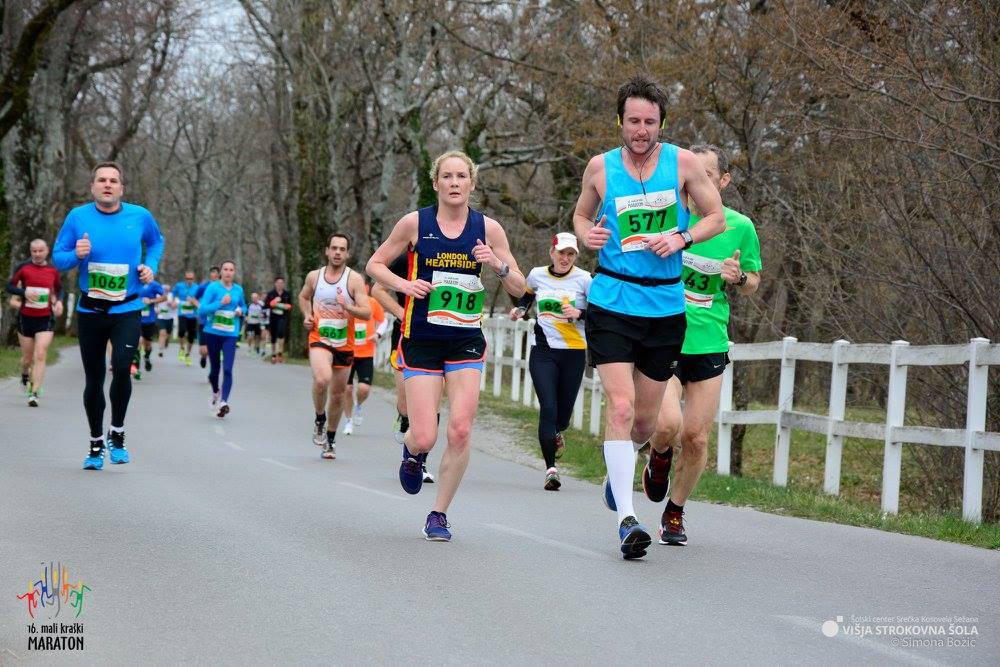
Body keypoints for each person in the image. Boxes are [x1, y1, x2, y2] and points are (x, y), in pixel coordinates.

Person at [571, 75, 725, 558]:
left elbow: (716, 216)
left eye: (650, 122)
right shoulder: (600, 167)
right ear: (620, 121)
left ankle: (620, 468)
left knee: (643, 424)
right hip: (613, 299)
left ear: (662, 124)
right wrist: (587, 235)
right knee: (619, 407)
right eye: (633, 121)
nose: (641, 130)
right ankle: (627, 519)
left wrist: (682, 238)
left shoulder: (683, 163)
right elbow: (580, 216)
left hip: (664, 307)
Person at [367, 150, 525, 542]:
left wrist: (498, 266)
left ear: (472, 183)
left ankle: (438, 514)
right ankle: (412, 452)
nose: (455, 183)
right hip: (422, 339)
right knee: (425, 435)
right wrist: (405, 286)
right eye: (447, 176)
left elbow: (521, 288)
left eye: (461, 176)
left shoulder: (488, 229)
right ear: (436, 183)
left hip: (465, 340)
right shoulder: (414, 224)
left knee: (460, 429)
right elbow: (375, 265)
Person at [645, 144, 762, 546]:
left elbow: (753, 281)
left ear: (723, 181)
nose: (695, 182)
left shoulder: (739, 227)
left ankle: (675, 511)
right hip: (665, 335)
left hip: (710, 339)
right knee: (667, 425)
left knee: (695, 437)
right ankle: (659, 455)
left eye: (707, 175)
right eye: (690, 174)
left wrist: (739, 278)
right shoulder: (666, 217)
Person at [52, 161, 164, 470]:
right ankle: (95, 442)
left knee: (122, 367)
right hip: (91, 310)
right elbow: (58, 259)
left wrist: (150, 266)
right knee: (94, 378)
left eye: (113, 180)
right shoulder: (77, 217)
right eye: (101, 180)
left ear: (121, 188)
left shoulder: (139, 216)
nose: (107, 184)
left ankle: (117, 432)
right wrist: (76, 255)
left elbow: (156, 242)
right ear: (92, 187)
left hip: (127, 309)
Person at [509, 232, 591, 491]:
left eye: (570, 254)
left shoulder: (584, 279)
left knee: (562, 417)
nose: (565, 258)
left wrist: (579, 313)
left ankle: (557, 431)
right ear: (551, 253)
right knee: (548, 407)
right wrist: (520, 309)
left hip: (573, 352)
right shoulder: (536, 274)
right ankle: (551, 469)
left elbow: (601, 312)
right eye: (561, 253)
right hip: (543, 351)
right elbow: (527, 295)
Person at [299, 232, 371, 459]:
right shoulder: (314, 277)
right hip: (319, 337)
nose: (337, 252)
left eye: (342, 249)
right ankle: (319, 417)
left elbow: (367, 312)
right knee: (322, 379)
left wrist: (347, 307)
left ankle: (330, 439)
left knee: (338, 395)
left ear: (347, 254)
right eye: (334, 248)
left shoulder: (354, 280)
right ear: (327, 251)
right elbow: (303, 297)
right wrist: (307, 315)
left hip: (344, 343)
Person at [371, 257, 436, 483]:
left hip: (441, 339)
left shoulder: (455, 255)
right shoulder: (407, 258)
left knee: (432, 403)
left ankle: (420, 462)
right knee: (407, 404)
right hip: (406, 335)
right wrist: (402, 313)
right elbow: (377, 290)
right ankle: (404, 418)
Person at [5, 239, 64, 406]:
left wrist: (59, 302)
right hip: (26, 318)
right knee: (27, 358)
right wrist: (24, 293)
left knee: (40, 354)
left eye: (40, 251)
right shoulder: (23, 268)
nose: (37, 254)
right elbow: (9, 287)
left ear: (47, 251)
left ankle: (34, 392)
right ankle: (25, 373)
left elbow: (60, 289)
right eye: (34, 251)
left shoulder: (52, 270)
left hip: (45, 318)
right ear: (30, 252)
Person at [198, 260, 247, 418]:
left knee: (227, 369)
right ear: (220, 272)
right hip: (212, 333)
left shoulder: (238, 289)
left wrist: (240, 311)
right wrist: (219, 303)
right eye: (225, 269)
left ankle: (224, 402)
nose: (228, 272)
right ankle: (215, 391)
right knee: (215, 370)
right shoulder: (213, 288)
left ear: (234, 272)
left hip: (230, 334)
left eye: (231, 270)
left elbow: (244, 306)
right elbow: (202, 310)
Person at [342, 280, 386, 435]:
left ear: (366, 288)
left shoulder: (372, 303)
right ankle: (348, 421)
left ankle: (358, 405)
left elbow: (383, 321)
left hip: (366, 352)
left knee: (364, 389)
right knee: (347, 389)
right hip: (347, 352)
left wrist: (377, 334)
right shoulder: (345, 303)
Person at [134, 279, 164, 379]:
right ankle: (136, 367)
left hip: (149, 320)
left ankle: (146, 357)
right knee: (138, 341)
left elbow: (164, 297)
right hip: (136, 318)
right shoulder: (134, 282)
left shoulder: (154, 284)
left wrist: (151, 301)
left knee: (148, 344)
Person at [195, 266, 220, 369]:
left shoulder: (224, 287)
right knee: (204, 350)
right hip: (204, 320)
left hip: (217, 321)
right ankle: (204, 357)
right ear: (210, 274)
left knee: (214, 347)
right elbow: (194, 298)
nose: (215, 274)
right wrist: (200, 307)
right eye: (213, 272)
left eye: (217, 272)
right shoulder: (204, 286)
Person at [173, 271, 199, 365]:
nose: (189, 280)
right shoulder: (179, 286)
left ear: (193, 279)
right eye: (187, 279)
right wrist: (174, 301)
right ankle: (182, 348)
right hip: (182, 314)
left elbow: (200, 301)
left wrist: (193, 301)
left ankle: (188, 354)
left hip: (193, 315)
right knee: (181, 331)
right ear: (185, 279)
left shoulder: (197, 288)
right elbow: (172, 294)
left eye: (191, 279)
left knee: (191, 336)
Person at [266, 277, 293, 363]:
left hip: (283, 317)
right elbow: (266, 305)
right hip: (273, 317)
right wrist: (274, 302)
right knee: (273, 336)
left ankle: (280, 353)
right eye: (278, 283)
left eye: (281, 283)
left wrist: (286, 306)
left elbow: (290, 305)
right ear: (275, 284)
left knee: (281, 333)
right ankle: (273, 354)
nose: (280, 284)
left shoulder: (286, 294)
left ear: (283, 284)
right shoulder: (271, 293)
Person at [156, 284, 177, 356]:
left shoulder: (172, 295)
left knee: (168, 334)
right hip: (161, 317)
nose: (166, 290)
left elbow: (175, 306)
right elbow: (155, 304)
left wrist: (171, 304)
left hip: (170, 317)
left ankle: (167, 341)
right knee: (162, 333)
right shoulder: (158, 295)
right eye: (164, 289)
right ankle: (160, 350)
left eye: (167, 289)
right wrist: (156, 310)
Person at [244, 291, 264, 356]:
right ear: (251, 298)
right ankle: (249, 349)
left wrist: (262, 315)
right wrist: (246, 318)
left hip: (258, 323)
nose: (254, 299)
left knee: (257, 337)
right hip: (250, 323)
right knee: (250, 336)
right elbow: (245, 313)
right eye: (253, 298)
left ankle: (256, 348)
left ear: (258, 298)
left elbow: (264, 313)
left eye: (255, 297)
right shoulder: (249, 305)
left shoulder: (261, 305)